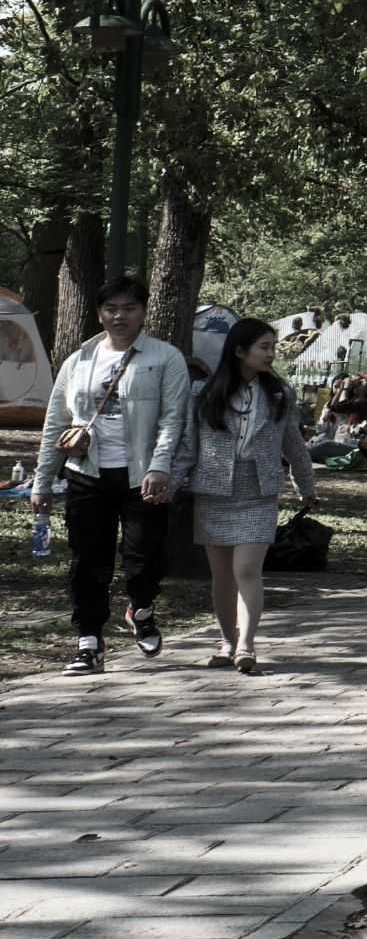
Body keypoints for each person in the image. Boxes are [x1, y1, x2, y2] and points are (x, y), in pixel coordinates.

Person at [23, 274, 192, 673]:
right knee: (87, 559)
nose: (120, 316)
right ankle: (89, 641)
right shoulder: (79, 359)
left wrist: (159, 465)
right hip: (87, 472)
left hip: (141, 475)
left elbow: (173, 419)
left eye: (129, 308)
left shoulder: (165, 357)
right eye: (111, 308)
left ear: (144, 312)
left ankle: (142, 608)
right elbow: (56, 423)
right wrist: (42, 480)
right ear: (99, 314)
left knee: (144, 557)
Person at [181, 316, 317, 675]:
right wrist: (169, 480)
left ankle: (246, 645)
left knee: (246, 569)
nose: (271, 354)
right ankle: (226, 641)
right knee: (222, 575)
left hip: (259, 490)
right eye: (265, 347)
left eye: (273, 347)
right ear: (240, 351)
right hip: (213, 490)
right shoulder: (203, 392)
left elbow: (294, 445)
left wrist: (307, 486)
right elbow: (187, 446)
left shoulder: (279, 393)